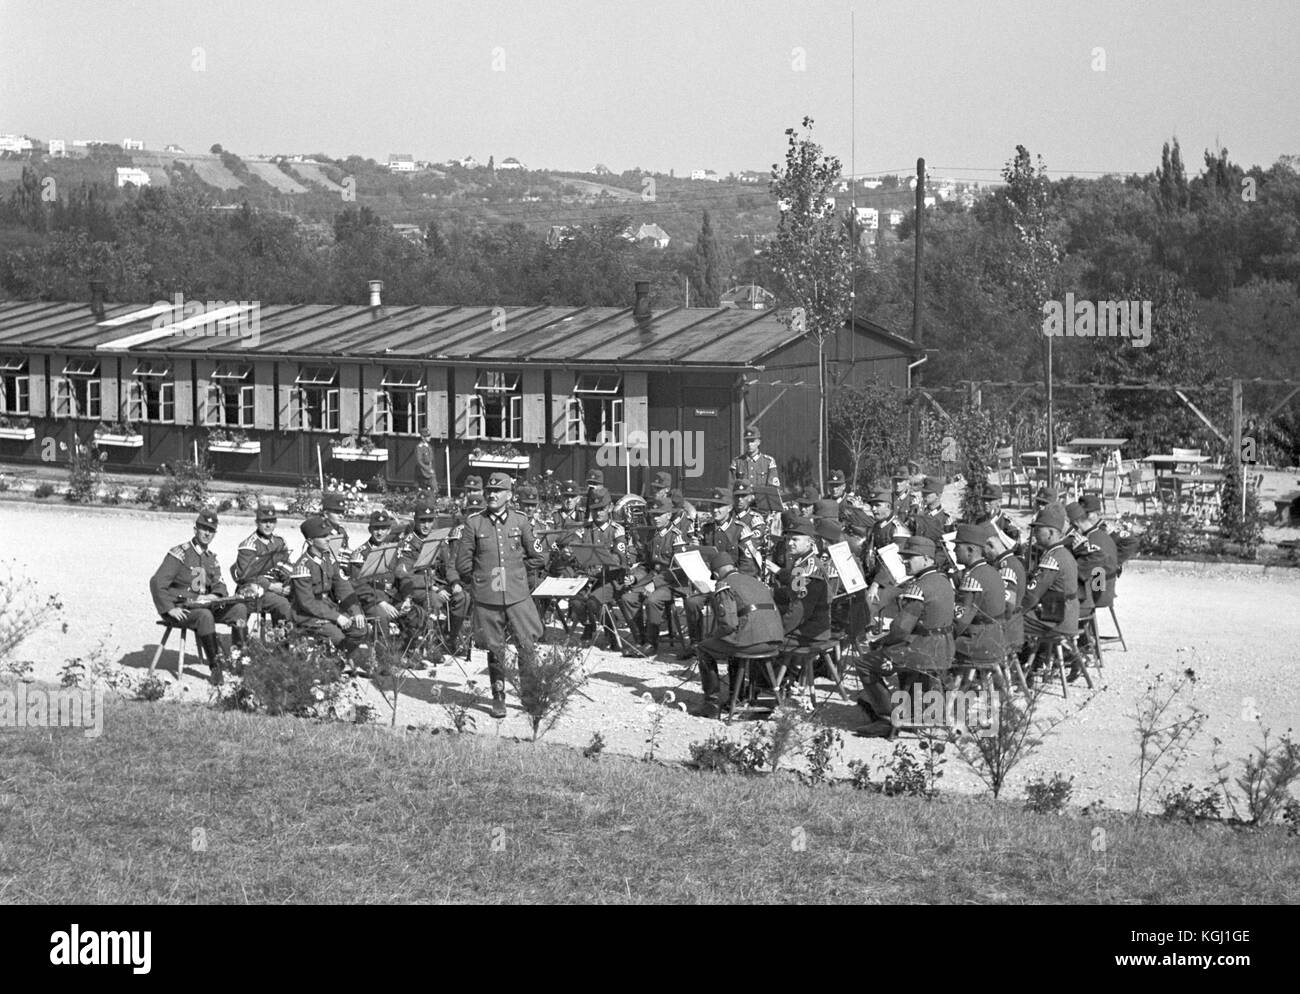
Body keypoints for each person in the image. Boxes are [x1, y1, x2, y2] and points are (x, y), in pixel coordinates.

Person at [454, 472, 547, 718]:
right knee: (495, 649)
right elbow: (463, 565)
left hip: (517, 595)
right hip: (488, 597)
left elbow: (538, 557)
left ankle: (529, 694)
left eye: (498, 491)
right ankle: (498, 697)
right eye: (489, 491)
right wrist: (481, 580)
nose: (492, 495)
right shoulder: (474, 523)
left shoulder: (521, 521)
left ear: (509, 495)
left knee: (526, 644)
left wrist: (515, 573)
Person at [853, 536, 955, 738]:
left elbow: (901, 628)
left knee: (864, 663)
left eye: (910, 557)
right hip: (943, 648)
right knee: (891, 654)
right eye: (904, 557)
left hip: (920, 651)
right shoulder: (944, 581)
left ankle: (885, 718)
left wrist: (882, 641)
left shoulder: (918, 587)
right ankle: (910, 708)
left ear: (926, 559)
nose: (904, 561)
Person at [149, 509, 249, 684]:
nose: (207, 533)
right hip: (182, 608)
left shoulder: (211, 559)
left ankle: (241, 661)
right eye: (203, 528)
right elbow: (157, 582)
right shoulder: (180, 553)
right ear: (195, 529)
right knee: (205, 616)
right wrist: (169, 608)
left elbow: (221, 585)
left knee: (239, 609)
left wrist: (215, 594)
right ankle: (215, 666)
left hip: (205, 606)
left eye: (211, 530)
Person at [693, 552, 785, 719]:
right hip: (775, 638)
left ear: (715, 573)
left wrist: (713, 636)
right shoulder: (755, 580)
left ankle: (711, 705)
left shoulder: (724, 584)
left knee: (704, 648)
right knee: (733, 643)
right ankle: (738, 695)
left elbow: (728, 624)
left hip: (752, 642)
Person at [350, 508, 431, 664]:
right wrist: (382, 603)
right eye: (376, 529)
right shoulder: (360, 554)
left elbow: (403, 575)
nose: (380, 532)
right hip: (370, 601)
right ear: (369, 529)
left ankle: (407, 653)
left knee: (417, 613)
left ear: (389, 530)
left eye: (383, 528)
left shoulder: (394, 551)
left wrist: (407, 598)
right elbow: (358, 586)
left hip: (391, 598)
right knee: (381, 616)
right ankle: (384, 659)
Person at [290, 517, 369, 666]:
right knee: (336, 634)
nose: (329, 539)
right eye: (323, 536)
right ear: (310, 541)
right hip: (306, 614)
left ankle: (341, 660)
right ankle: (335, 663)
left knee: (360, 629)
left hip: (327, 607)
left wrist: (356, 610)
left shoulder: (328, 559)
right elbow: (307, 602)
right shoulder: (303, 567)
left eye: (328, 535)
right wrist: (336, 617)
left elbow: (343, 586)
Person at [618, 496, 690, 654]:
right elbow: (646, 564)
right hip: (652, 578)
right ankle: (639, 639)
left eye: (659, 514)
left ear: (669, 515)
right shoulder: (651, 536)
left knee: (653, 599)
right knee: (627, 598)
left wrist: (655, 583)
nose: (655, 518)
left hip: (673, 583)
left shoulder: (676, 537)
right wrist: (635, 577)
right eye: (653, 515)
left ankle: (652, 643)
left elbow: (678, 569)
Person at [399, 499, 468, 654]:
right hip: (417, 586)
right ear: (415, 521)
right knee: (435, 600)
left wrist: (455, 582)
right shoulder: (408, 543)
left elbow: (449, 565)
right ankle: (429, 645)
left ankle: (449, 638)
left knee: (463, 597)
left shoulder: (437, 539)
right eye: (422, 521)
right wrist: (432, 587)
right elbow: (405, 574)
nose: (426, 525)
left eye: (430, 521)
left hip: (436, 584)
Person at [564, 486, 629, 647]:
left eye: (601, 509)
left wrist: (604, 563)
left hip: (610, 579)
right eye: (594, 509)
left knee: (594, 601)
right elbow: (574, 548)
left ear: (610, 508)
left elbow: (619, 557)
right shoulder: (585, 530)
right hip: (588, 577)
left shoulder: (617, 531)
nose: (598, 513)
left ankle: (610, 631)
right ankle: (588, 625)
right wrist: (568, 552)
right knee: (576, 600)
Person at [1019, 503, 1080, 673]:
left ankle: (1023, 671)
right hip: (1066, 613)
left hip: (1058, 618)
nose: (1035, 534)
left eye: (1039, 530)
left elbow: (1032, 596)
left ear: (1052, 533)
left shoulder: (1052, 559)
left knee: (1010, 621)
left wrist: (1015, 609)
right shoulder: (1064, 553)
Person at [951, 522, 1007, 674]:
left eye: (957, 546)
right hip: (996, 639)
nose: (954, 550)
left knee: (927, 646)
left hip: (979, 643)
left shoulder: (973, 578)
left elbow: (959, 623)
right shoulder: (992, 571)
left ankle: (935, 692)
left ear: (970, 550)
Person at [231, 503, 293, 626]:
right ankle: (241, 643)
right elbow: (246, 576)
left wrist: (288, 585)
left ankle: (283, 639)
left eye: (271, 521)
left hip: (276, 589)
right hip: (251, 590)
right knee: (282, 603)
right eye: (264, 521)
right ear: (257, 522)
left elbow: (287, 567)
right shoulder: (249, 545)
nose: (268, 525)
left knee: (300, 597)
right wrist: (271, 586)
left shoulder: (280, 542)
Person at [910, 476, 955, 573]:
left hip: (935, 567)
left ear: (938, 495)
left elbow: (946, 548)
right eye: (923, 492)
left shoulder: (945, 519)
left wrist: (934, 564)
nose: (924, 495)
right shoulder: (918, 514)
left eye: (927, 493)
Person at [729, 425, 780, 492]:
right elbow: (731, 487)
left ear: (758, 442)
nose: (749, 444)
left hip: (761, 500)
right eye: (747, 441)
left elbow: (773, 488)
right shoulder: (737, 462)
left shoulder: (768, 462)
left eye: (752, 441)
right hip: (743, 500)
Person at [415, 427, 438, 493]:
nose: (429, 437)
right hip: (423, 472)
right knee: (425, 491)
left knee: (434, 489)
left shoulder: (428, 446)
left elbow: (431, 459)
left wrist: (431, 469)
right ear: (422, 437)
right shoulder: (419, 447)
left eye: (429, 435)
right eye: (427, 436)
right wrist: (428, 469)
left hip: (430, 470)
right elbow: (419, 461)